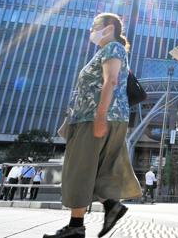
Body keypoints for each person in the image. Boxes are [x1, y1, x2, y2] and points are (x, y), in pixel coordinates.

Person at [43, 13, 141, 238]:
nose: (91, 31)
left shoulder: (112, 49)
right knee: (95, 171)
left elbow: (111, 81)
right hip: (98, 117)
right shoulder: (109, 50)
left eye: (94, 27)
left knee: (79, 169)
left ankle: (76, 227)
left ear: (108, 28)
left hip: (95, 118)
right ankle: (110, 206)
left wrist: (100, 116)